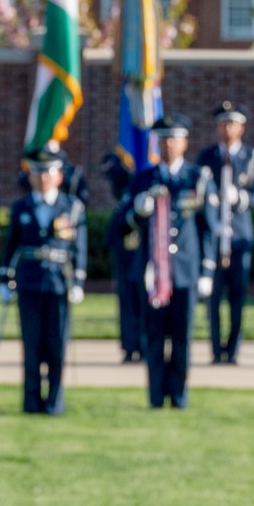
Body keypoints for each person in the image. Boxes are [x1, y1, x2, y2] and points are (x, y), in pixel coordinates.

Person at [127, 115, 213, 409]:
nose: (168, 144)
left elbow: (207, 227)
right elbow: (125, 225)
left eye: (174, 138)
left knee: (181, 339)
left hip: (185, 271)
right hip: (154, 273)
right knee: (153, 337)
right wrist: (140, 210)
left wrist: (207, 270)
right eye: (163, 139)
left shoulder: (196, 178)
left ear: (185, 142)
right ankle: (155, 396)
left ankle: (178, 396)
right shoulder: (143, 178)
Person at [0, 147, 87, 415]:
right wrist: (4, 278)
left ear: (59, 176)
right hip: (29, 282)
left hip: (59, 282)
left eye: (48, 172)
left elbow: (79, 247)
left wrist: (78, 282)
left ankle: (54, 402)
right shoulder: (21, 207)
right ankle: (31, 401)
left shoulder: (71, 207)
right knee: (32, 345)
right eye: (37, 172)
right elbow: (11, 245)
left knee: (56, 345)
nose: (43, 177)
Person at [198, 100, 254, 365]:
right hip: (214, 237)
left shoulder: (251, 157)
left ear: (242, 127)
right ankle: (216, 350)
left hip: (239, 237)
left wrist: (238, 197)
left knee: (237, 297)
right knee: (213, 298)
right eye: (223, 123)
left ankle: (233, 349)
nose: (227, 128)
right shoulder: (207, 158)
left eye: (232, 123)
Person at [99, 151, 143, 363]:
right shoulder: (123, 183)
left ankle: (143, 343)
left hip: (144, 246)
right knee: (126, 296)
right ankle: (129, 344)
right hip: (124, 245)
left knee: (143, 296)